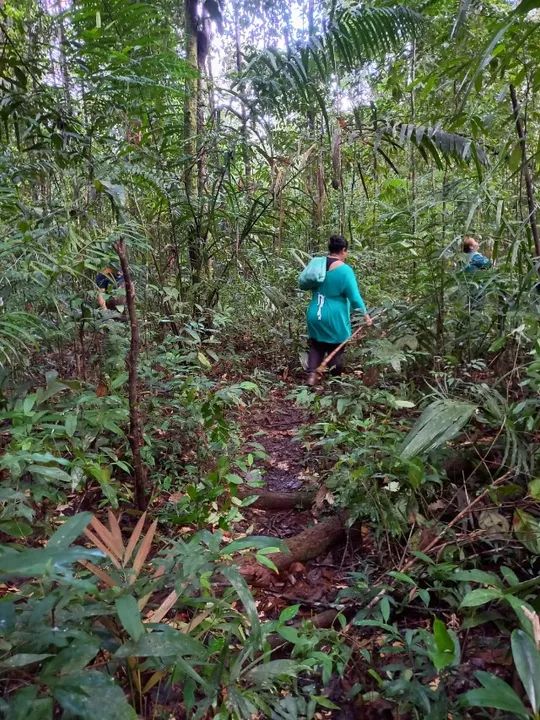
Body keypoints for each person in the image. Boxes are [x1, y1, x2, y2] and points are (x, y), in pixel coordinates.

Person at [300, 234, 372, 385]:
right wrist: (365, 315)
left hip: (315, 315)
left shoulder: (317, 265)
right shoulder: (345, 271)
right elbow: (354, 298)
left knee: (316, 346)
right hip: (335, 318)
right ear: (343, 250)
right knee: (336, 349)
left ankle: (312, 376)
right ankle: (335, 382)